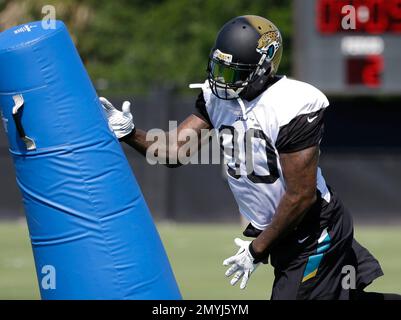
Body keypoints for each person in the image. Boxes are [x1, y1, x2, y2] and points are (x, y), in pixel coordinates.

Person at [100, 15, 400, 300]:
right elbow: (174, 151)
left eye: (232, 73)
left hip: (312, 232)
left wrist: (256, 250)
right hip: (283, 232)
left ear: (262, 69)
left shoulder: (291, 104)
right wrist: (129, 132)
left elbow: (300, 196)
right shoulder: (215, 98)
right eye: (218, 69)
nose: (221, 81)